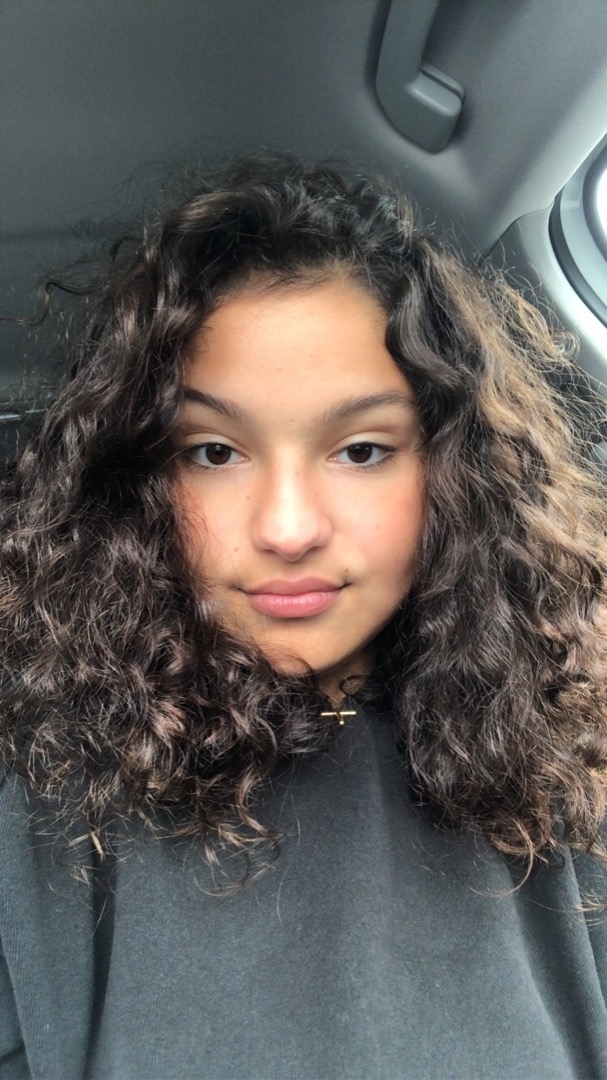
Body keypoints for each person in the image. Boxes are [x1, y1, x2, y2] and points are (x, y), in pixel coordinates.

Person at [1, 155, 607, 1080]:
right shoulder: (38, 794)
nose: (288, 529)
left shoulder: (569, 775)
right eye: (213, 452)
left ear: (453, 472)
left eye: (360, 450)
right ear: (135, 482)